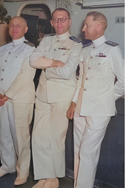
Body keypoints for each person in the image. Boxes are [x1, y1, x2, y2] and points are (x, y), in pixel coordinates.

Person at [67, 11, 124, 188]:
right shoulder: (85, 50)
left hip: (100, 109)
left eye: (87, 25)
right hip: (80, 108)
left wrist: (107, 98)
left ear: (99, 27)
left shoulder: (112, 49)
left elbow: (123, 80)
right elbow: (81, 80)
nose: (83, 28)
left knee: (87, 151)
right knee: (78, 150)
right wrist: (74, 102)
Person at [30, 8, 82, 188]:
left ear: (69, 22)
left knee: (55, 138)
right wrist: (53, 63)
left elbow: (67, 73)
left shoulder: (77, 44)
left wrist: (46, 68)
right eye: (56, 20)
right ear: (51, 22)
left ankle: (54, 179)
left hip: (62, 96)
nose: (59, 23)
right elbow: (33, 60)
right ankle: (45, 176)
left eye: (63, 19)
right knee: (38, 137)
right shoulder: (46, 40)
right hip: (43, 94)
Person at [0, 16, 35, 186]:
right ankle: (7, 166)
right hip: (1, 99)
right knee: (4, 135)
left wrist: (5, 95)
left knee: (20, 137)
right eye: (12, 26)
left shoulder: (30, 50)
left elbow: (25, 77)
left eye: (18, 26)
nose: (14, 29)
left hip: (19, 100)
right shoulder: (3, 49)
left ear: (26, 29)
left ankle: (22, 171)